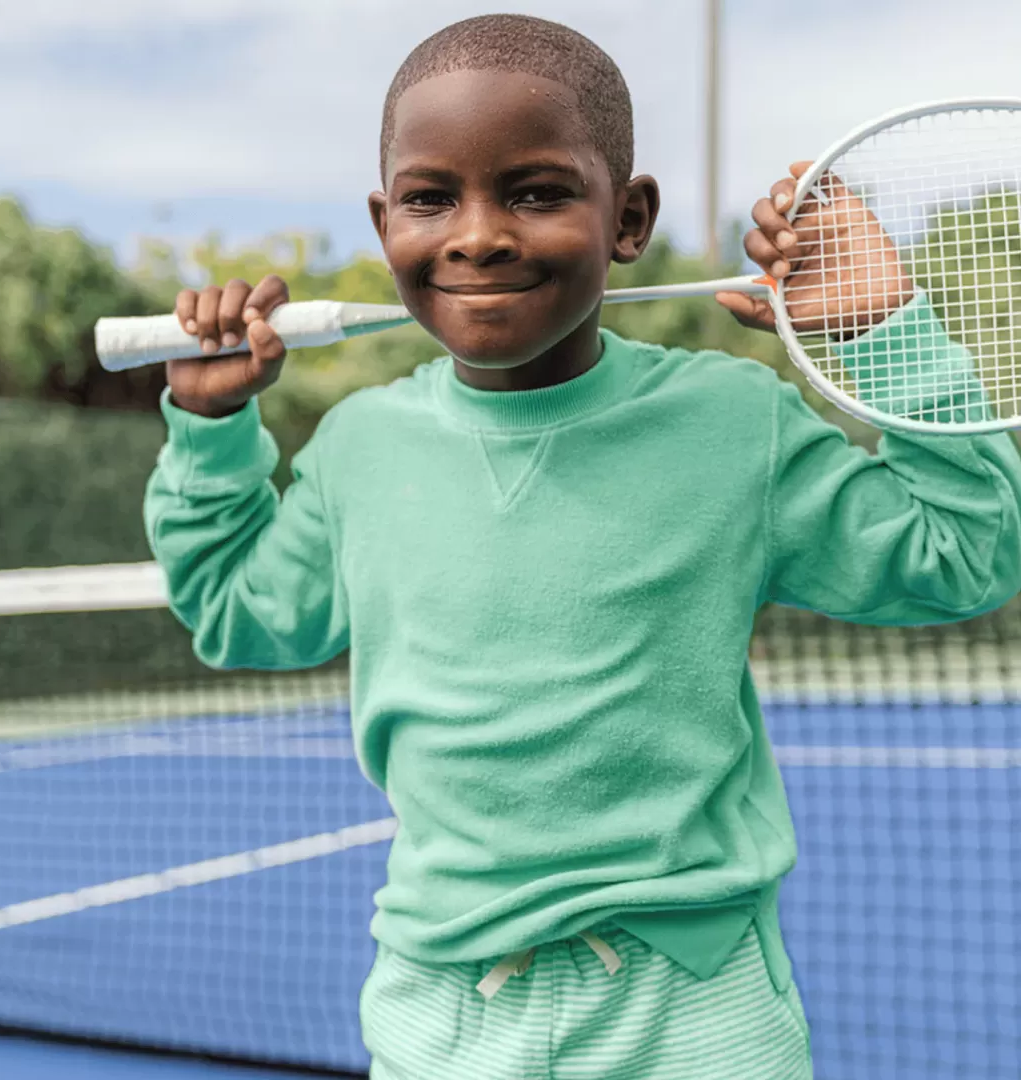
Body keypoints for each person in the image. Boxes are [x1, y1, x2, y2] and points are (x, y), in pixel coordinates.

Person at [144, 14, 1021, 1080]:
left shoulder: (730, 422)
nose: (477, 236)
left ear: (629, 217)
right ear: (386, 226)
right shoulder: (360, 447)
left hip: (699, 1017)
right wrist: (211, 430)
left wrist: (884, 329)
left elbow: (967, 552)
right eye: (431, 198)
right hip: (439, 1020)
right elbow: (239, 613)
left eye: (537, 190)